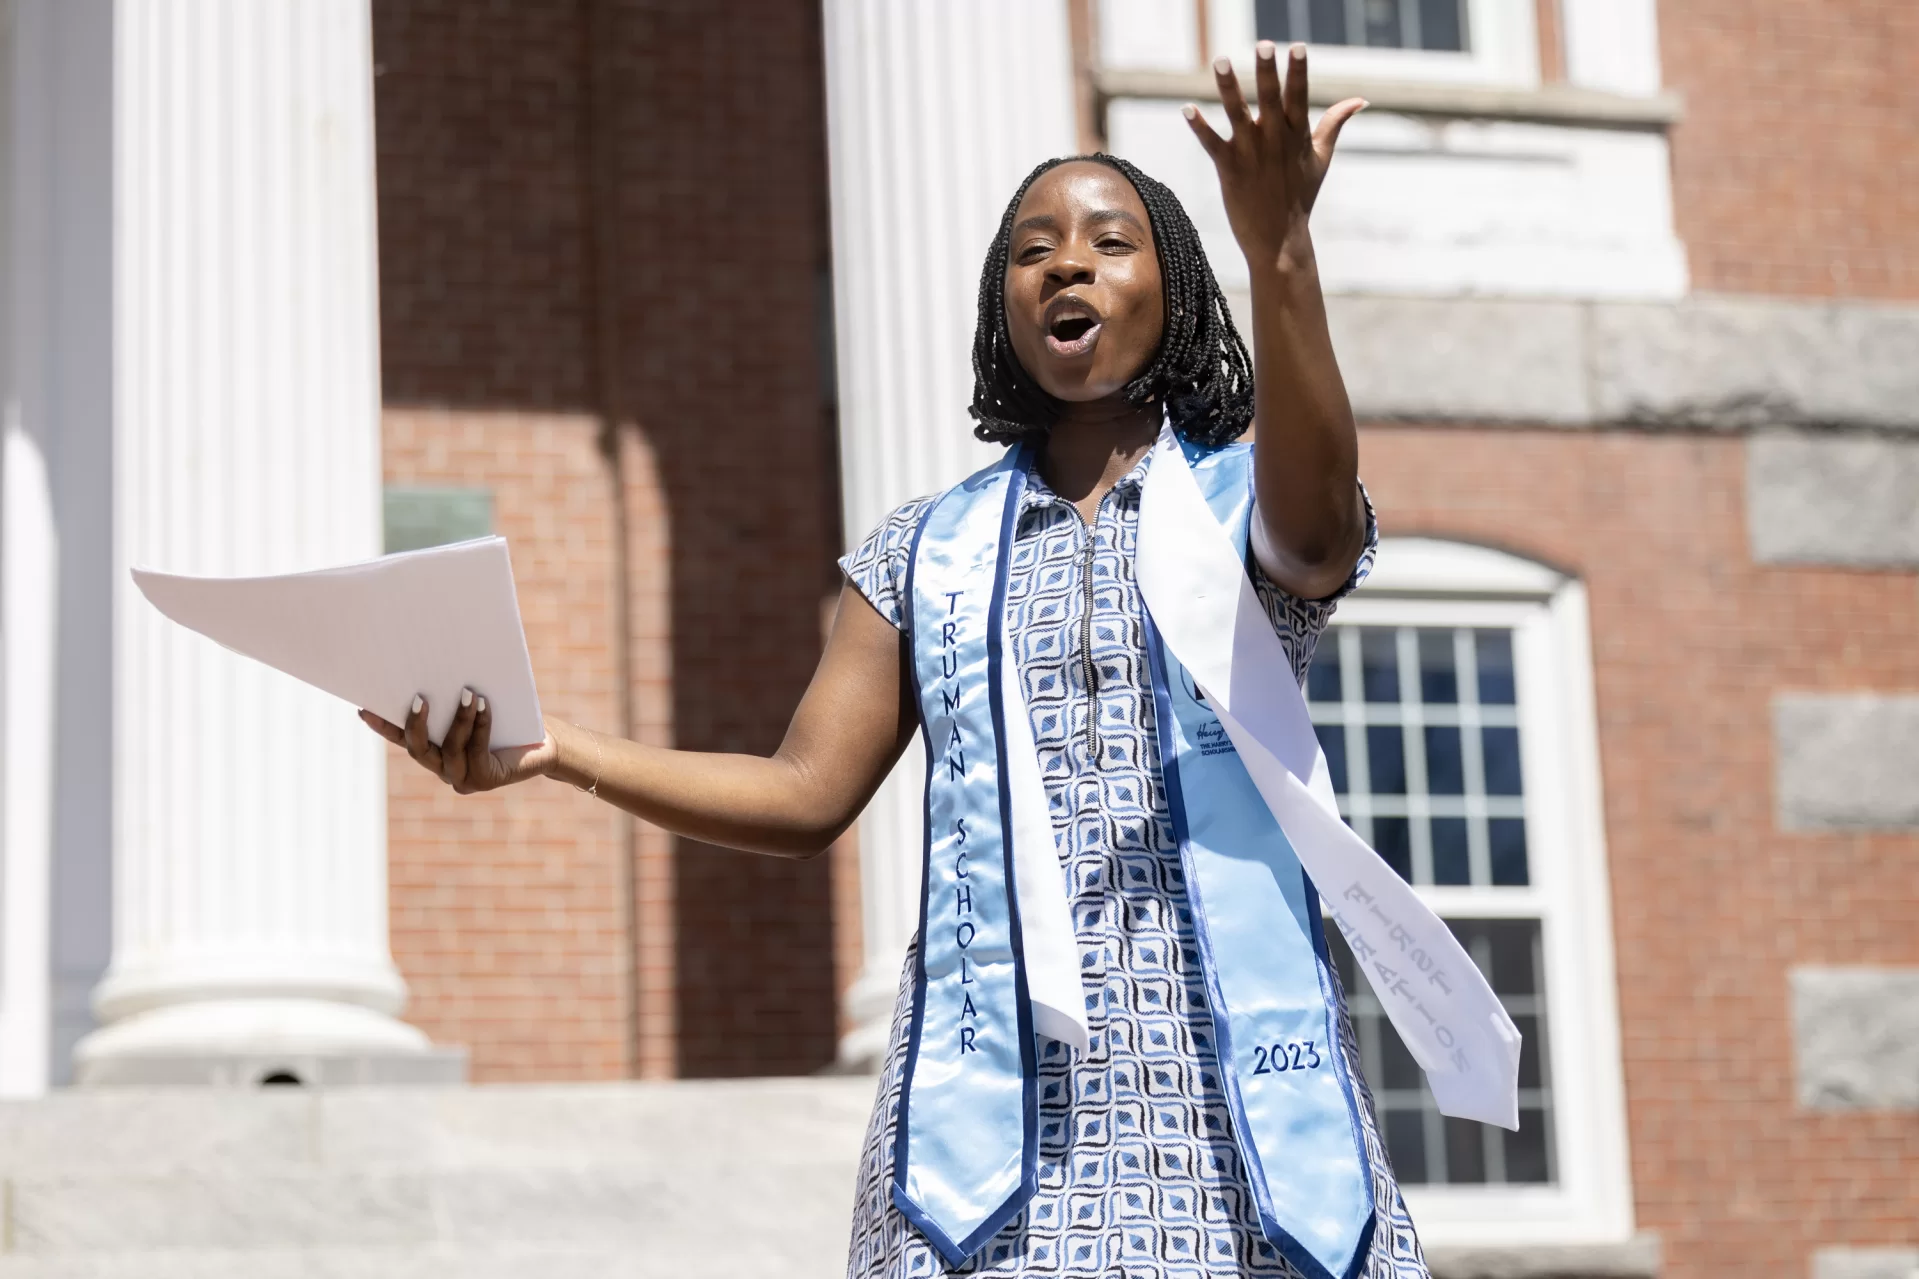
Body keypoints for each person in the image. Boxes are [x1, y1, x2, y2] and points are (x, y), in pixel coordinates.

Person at [364, 42, 1429, 1279]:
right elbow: (802, 791)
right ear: (1003, 305)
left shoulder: (1238, 501)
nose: (1065, 264)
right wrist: (557, 753)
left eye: (1106, 242)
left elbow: (1309, 530)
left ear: (1176, 287)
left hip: (1225, 1102)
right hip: (991, 1139)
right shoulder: (927, 549)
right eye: (1031, 251)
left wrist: (1280, 249)